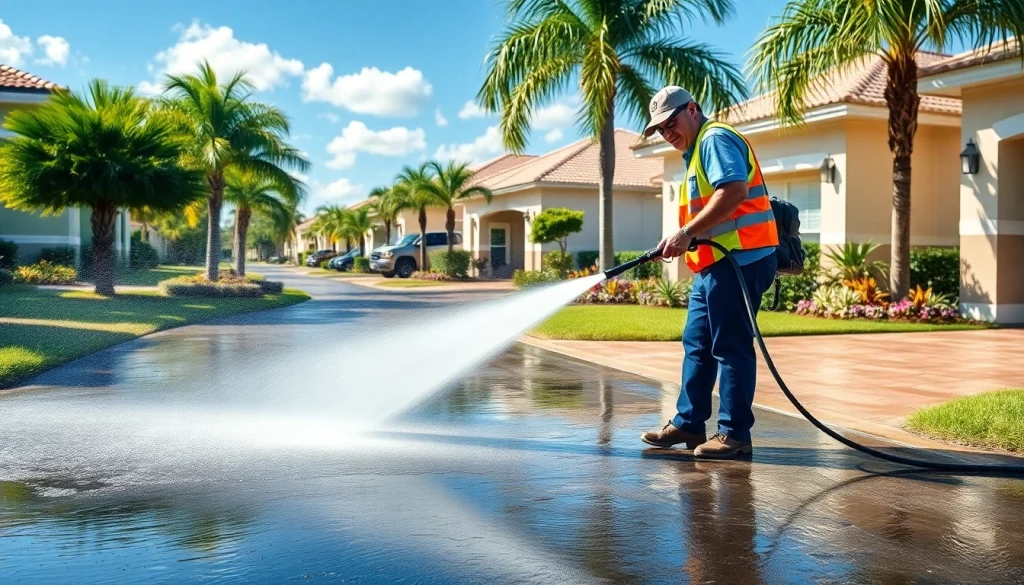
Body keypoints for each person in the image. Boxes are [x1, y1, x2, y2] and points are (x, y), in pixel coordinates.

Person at [639, 86, 779, 459]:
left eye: (672, 123)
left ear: (693, 110)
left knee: (730, 346)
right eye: (661, 130)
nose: (668, 133)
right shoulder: (695, 151)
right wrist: (680, 239)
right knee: (697, 345)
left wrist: (686, 233)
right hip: (715, 265)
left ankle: (734, 434)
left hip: (741, 260)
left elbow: (733, 191)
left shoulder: (714, 139)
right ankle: (689, 422)